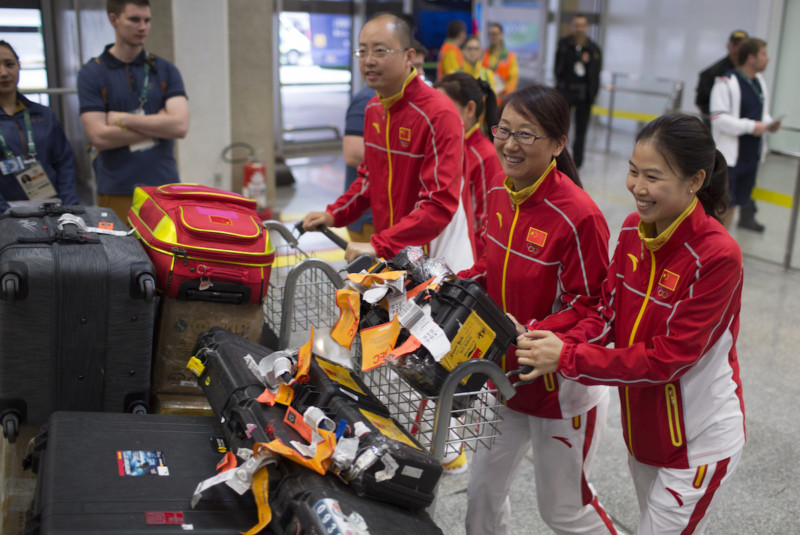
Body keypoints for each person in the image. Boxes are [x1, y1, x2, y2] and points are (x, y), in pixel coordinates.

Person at [518, 113, 745, 535]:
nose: (638, 187)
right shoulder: (631, 233)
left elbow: (668, 360)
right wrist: (547, 336)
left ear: (695, 181)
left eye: (653, 177)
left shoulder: (717, 256)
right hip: (645, 431)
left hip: (699, 442)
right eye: (633, 171)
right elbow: (606, 317)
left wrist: (566, 356)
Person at [459, 84, 616, 535]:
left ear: (558, 144)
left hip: (561, 389)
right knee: (482, 494)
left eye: (526, 135)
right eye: (504, 130)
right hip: (504, 376)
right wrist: (451, 285)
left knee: (564, 511)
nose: (509, 144)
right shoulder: (499, 191)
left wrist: (530, 331)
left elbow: (594, 308)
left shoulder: (579, 216)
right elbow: (491, 265)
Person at [302, 14, 474, 272]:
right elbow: (369, 179)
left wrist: (381, 244)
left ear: (408, 56)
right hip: (391, 255)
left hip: (430, 262)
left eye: (380, 51)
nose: (369, 60)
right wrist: (333, 214)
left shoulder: (439, 114)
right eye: (362, 51)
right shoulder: (374, 109)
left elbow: (439, 204)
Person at [77, 0, 190, 221]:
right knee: (120, 255)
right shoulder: (92, 73)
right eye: (134, 19)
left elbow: (180, 126)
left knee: (165, 255)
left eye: (147, 20)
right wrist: (160, 124)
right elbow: (99, 136)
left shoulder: (165, 70)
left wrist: (121, 118)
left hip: (164, 189)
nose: (142, 27)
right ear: (113, 20)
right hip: (116, 188)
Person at [710, 37, 780, 232]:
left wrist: (768, 123)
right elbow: (718, 118)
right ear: (751, 58)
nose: (768, 58)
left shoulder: (758, 83)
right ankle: (711, 248)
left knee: (734, 203)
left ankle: (722, 244)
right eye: (763, 54)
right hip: (730, 159)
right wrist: (751, 127)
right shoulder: (726, 83)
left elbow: (760, 113)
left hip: (750, 155)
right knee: (721, 205)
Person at [0, 40, 79, 212]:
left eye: (9, 64)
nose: (3, 73)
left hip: (51, 207)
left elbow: (64, 162)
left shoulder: (44, 114)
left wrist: (69, 206)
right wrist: (6, 215)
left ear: (19, 66)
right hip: (6, 213)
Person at [436, 72, 501, 258]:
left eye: (444, 107)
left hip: (466, 258)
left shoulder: (484, 156)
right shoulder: (448, 147)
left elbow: (486, 223)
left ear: (470, 109)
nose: (436, 115)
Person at [554, 14, 602, 169]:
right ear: (572, 27)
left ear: (586, 27)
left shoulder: (593, 49)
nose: (579, 28)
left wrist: (592, 95)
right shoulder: (564, 45)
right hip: (566, 91)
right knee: (561, 127)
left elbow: (596, 74)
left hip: (584, 95)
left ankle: (577, 164)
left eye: (582, 25)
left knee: (581, 130)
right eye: (576, 25)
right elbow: (558, 69)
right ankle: (559, 159)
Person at [695, 30, 748, 128]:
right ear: (728, 46)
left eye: (742, 46)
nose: (738, 49)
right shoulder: (713, 73)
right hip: (718, 128)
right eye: (735, 45)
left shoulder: (750, 73)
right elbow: (701, 102)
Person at [482, 22, 519, 104]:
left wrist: (505, 97)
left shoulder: (510, 56)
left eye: (495, 34)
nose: (492, 36)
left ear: (501, 35)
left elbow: (513, 79)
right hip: (486, 99)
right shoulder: (484, 54)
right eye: (490, 34)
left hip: (502, 100)